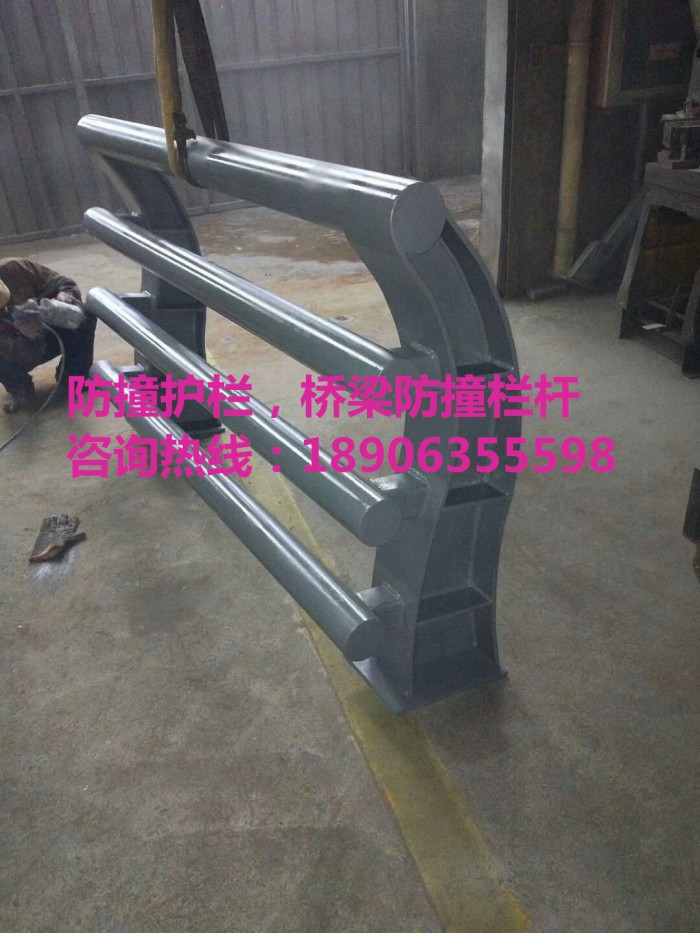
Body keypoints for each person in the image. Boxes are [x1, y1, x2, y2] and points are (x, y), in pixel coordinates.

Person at [0, 257, 97, 413]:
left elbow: (62, 282)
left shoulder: (14, 268)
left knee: (84, 315)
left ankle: (74, 375)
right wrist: (30, 336)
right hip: (19, 350)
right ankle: (18, 388)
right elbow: (20, 354)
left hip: (45, 328)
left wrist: (65, 294)